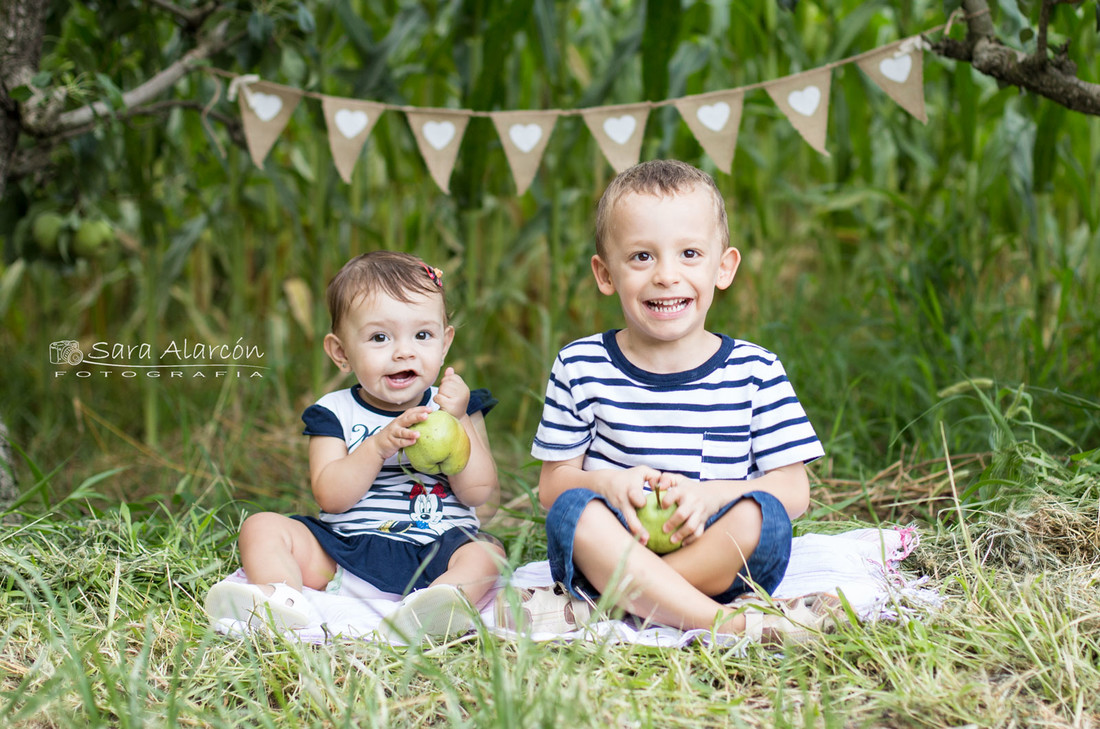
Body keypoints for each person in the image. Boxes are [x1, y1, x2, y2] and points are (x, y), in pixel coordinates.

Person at [522, 159, 837, 643]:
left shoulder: (755, 371)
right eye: (642, 257)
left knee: (765, 518)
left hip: (713, 552)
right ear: (606, 274)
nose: (667, 276)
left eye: (689, 253)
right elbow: (552, 486)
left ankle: (625, 604)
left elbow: (795, 492)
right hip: (614, 547)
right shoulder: (580, 365)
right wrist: (608, 482)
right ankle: (723, 621)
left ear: (723, 267)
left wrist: (712, 494)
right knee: (573, 512)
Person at [206, 251, 503, 640]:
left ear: (445, 343)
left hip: (439, 552)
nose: (404, 351)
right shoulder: (334, 412)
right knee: (262, 526)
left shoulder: (456, 406)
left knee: (486, 553)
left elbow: (484, 499)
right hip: (346, 555)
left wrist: (460, 419)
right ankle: (282, 598)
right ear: (341, 352)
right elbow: (331, 497)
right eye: (380, 337)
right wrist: (377, 447)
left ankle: (439, 603)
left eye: (423, 335)